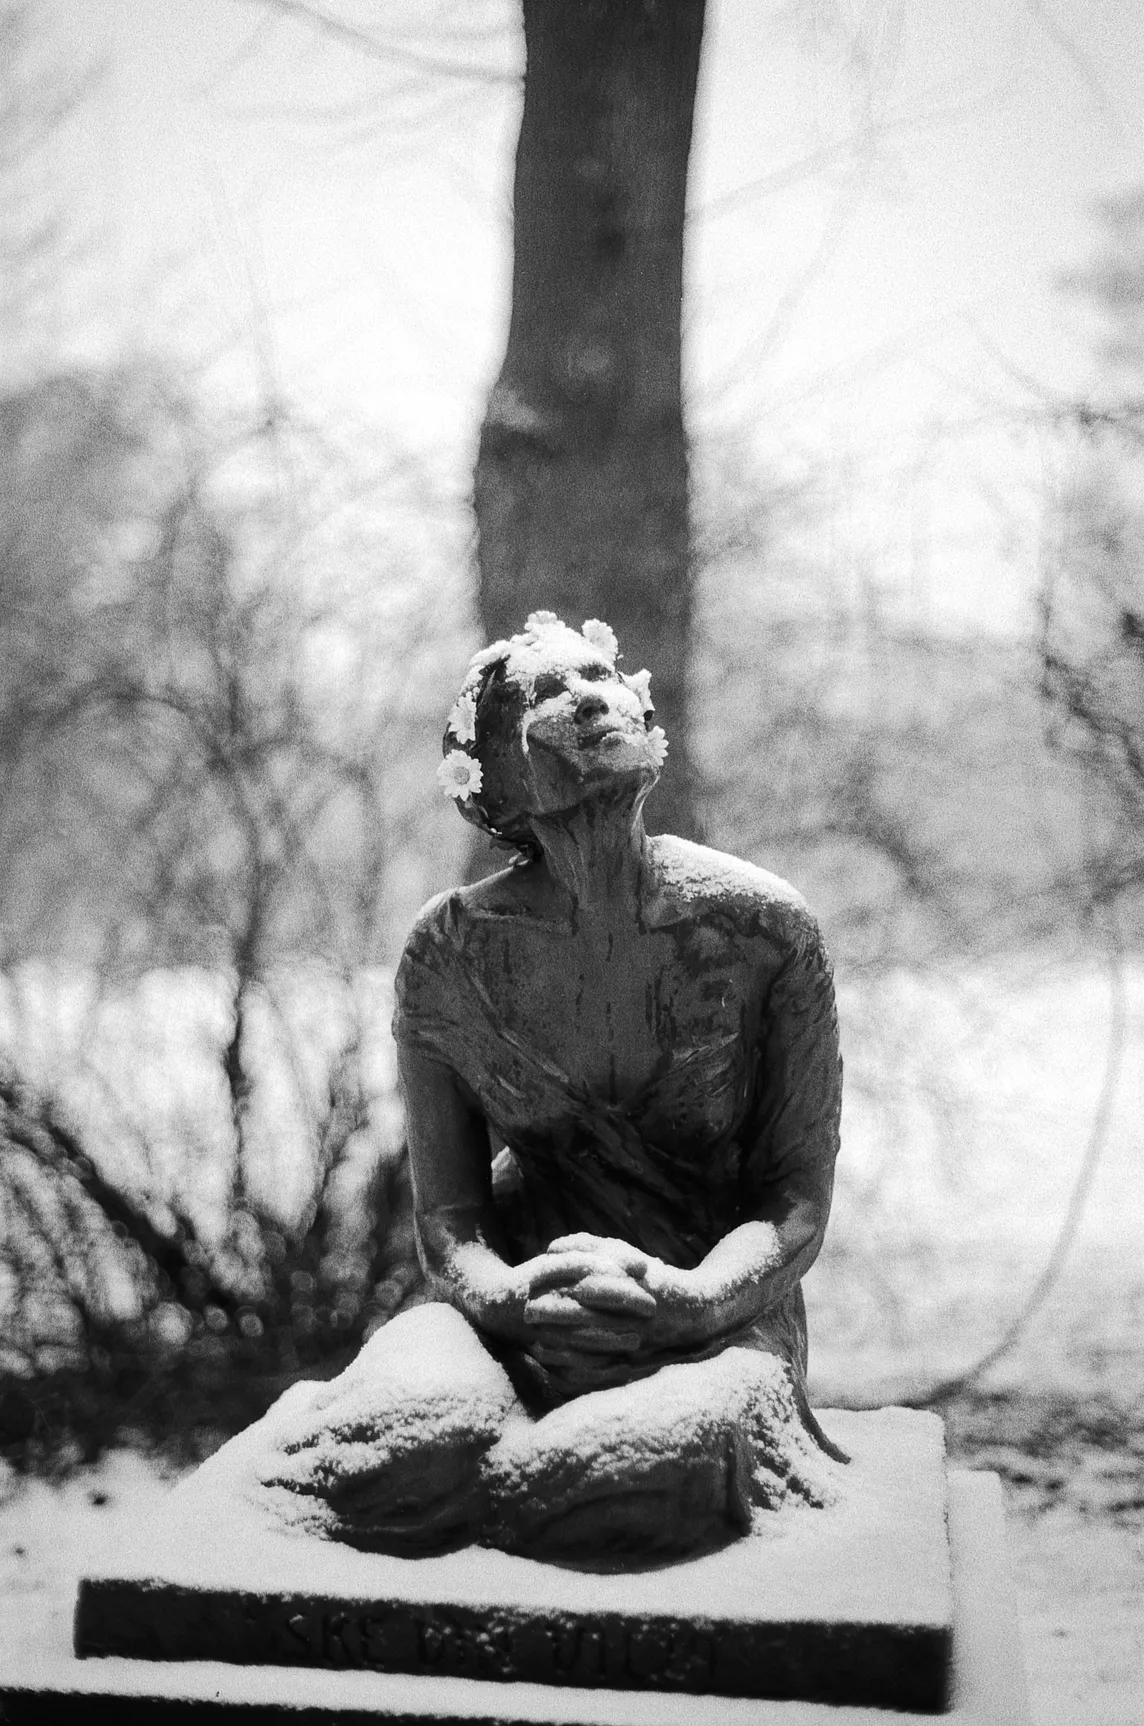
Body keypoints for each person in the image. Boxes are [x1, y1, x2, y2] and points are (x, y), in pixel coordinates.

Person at [267, 613, 845, 1563]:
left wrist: (692, 1301)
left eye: (600, 675)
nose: (589, 694)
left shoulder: (765, 932)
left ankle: (518, 1505)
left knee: (648, 1470)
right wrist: (508, 1298)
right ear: (497, 778)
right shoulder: (448, 954)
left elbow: (793, 1199)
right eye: (545, 693)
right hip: (521, 1302)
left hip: (716, 1310)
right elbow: (449, 1223)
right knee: (395, 1448)